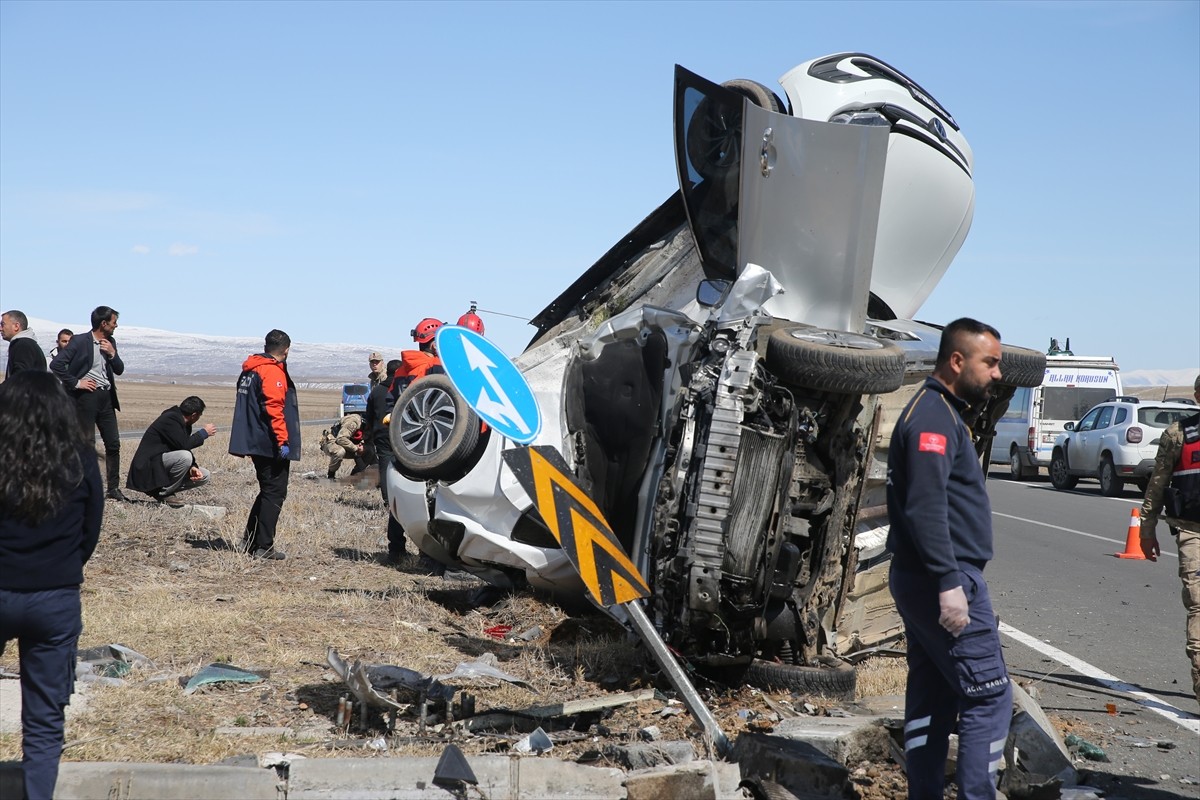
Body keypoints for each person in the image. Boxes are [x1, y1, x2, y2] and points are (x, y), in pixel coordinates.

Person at [885, 317, 1010, 800]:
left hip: (927, 577)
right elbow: (926, 505)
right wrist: (949, 583)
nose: (998, 374)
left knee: (933, 698)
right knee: (990, 697)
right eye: (990, 363)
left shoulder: (936, 408)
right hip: (945, 578)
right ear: (957, 361)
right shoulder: (934, 416)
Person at [0, 371, 103, 800]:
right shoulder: (79, 460)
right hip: (56, 598)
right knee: (44, 722)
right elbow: (89, 531)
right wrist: (60, 569)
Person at [1140, 374, 1200, 703]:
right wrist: (1146, 530)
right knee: (1199, 605)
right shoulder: (1178, 434)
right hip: (1193, 531)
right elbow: (1158, 485)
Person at [228, 329, 301, 560]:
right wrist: (283, 441)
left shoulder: (251, 370)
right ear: (286, 350)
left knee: (267, 491)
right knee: (275, 493)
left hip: (254, 440)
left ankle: (250, 541)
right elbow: (274, 408)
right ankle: (264, 546)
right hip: (268, 443)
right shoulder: (270, 372)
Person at [49, 306, 126, 501]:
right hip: (86, 398)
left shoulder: (110, 342)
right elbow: (56, 364)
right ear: (104, 323)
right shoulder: (80, 341)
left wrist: (112, 353)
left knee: (113, 443)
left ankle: (113, 489)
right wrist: (76, 383)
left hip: (106, 398)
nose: (116, 325)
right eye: (114, 321)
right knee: (88, 443)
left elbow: (119, 370)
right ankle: (87, 487)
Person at [126, 396, 217, 503]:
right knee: (185, 457)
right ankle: (164, 493)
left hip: (160, 465)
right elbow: (184, 444)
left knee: (204, 475)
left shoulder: (183, 423)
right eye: (199, 415)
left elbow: (178, 446)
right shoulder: (170, 419)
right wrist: (203, 433)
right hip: (148, 467)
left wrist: (192, 467)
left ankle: (161, 489)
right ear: (194, 415)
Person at [365, 358, 409, 563]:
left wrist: (369, 437)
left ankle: (386, 498)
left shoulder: (376, 392)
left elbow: (369, 415)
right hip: (401, 435)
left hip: (381, 434)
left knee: (385, 467)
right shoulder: (404, 388)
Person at [2, 309, 47, 378]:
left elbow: (20, 377)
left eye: (3, 324)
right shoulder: (26, 343)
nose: (1, 329)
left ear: (16, 326)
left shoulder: (23, 345)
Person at [321, 412, 366, 479]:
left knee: (368, 451)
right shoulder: (353, 422)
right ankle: (331, 475)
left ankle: (356, 475)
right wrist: (356, 448)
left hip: (347, 442)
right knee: (340, 452)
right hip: (332, 441)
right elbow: (341, 439)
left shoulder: (368, 425)